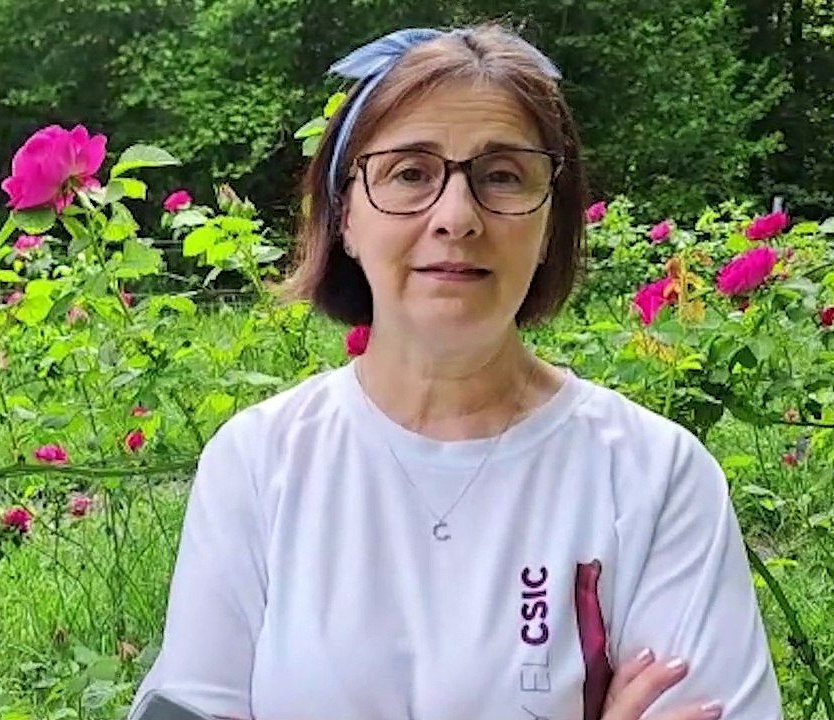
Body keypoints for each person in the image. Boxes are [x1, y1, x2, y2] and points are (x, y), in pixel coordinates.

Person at [128, 22, 784, 720]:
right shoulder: (261, 463)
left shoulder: (655, 478)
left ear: (549, 224)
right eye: (410, 173)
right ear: (345, 215)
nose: (457, 216)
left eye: (502, 176)